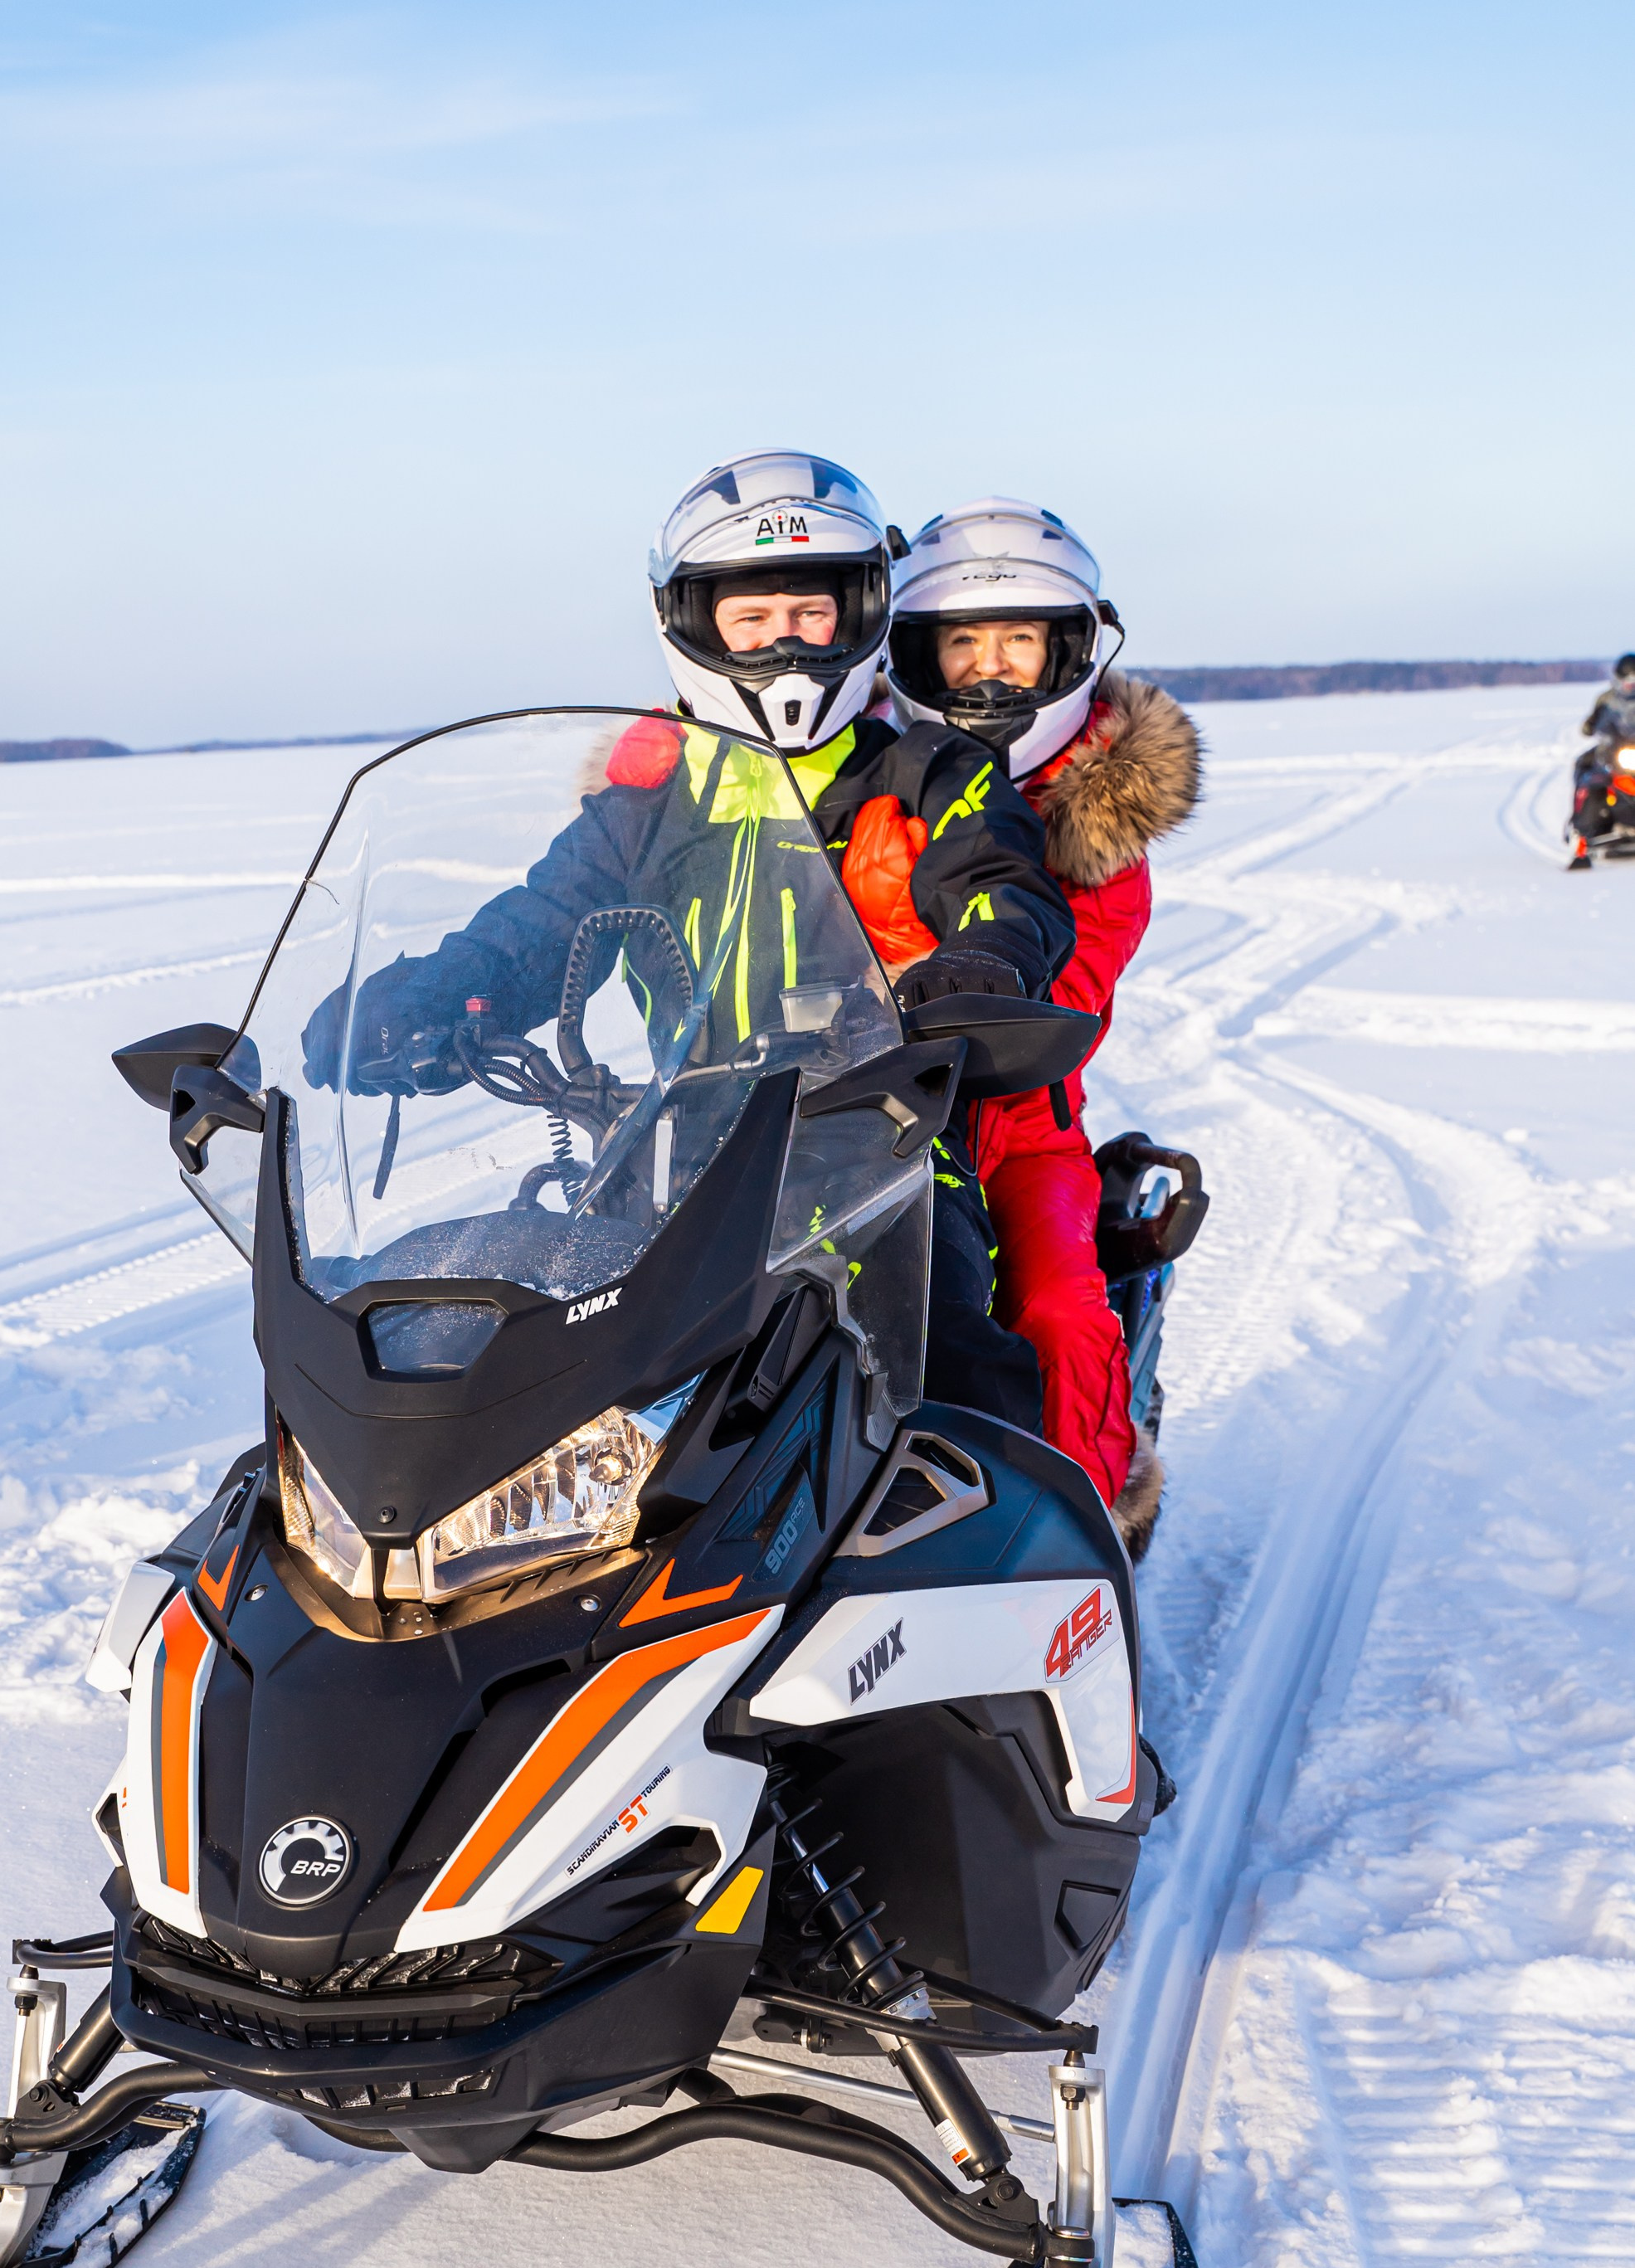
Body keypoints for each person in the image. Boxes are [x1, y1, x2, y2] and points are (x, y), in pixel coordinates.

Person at [308, 452, 1077, 1431]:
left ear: (857, 612)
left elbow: (1005, 887)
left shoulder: (931, 772)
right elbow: (541, 920)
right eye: (751, 617)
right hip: (678, 1138)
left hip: (884, 1131)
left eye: (809, 613)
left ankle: (992, 1520)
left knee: (942, 1346)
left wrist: (974, 968)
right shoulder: (648, 801)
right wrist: (431, 998)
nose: (782, 640)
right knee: (540, 1352)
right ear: (694, 622)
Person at [860, 499, 1200, 1554]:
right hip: (846, 1114)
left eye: (1018, 640)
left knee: (1052, 1310)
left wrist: (947, 982)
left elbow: (1067, 993)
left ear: (1069, 652)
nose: (991, 669)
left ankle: (1078, 1551)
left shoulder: (1098, 832)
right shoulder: (864, 775)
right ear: (914, 653)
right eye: (962, 642)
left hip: (1016, 1127)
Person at [1569, 655, 1635, 868]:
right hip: (1614, 749)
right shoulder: (1606, 699)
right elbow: (1591, 725)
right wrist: (1592, 724)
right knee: (1590, 774)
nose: (1631, 687)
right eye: (1629, 683)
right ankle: (1584, 828)